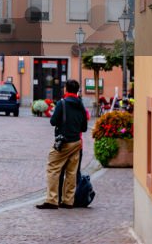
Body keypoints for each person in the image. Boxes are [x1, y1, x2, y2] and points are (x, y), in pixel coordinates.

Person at [36, 79, 88, 209]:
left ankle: (52, 200)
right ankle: (68, 201)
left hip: (63, 142)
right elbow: (84, 128)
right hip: (77, 142)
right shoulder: (81, 105)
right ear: (77, 91)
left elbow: (53, 121)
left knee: (53, 168)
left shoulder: (62, 103)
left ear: (66, 89)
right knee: (71, 172)